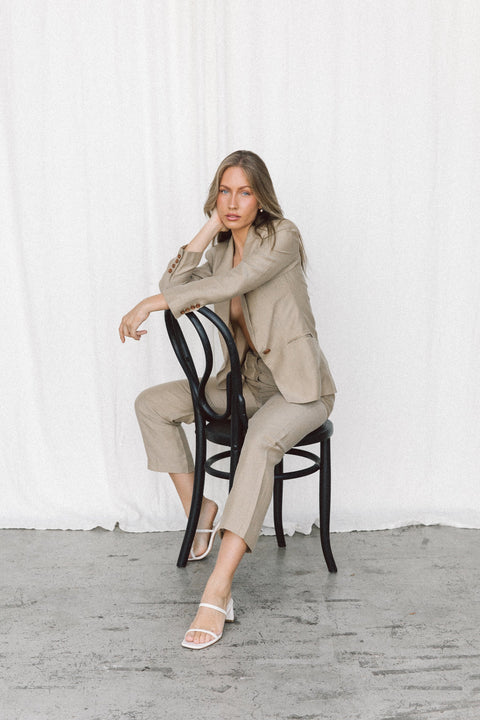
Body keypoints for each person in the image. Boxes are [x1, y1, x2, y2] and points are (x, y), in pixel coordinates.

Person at [119, 150, 336, 650]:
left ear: (261, 198)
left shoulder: (283, 237)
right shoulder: (219, 249)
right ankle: (201, 512)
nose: (233, 201)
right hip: (247, 384)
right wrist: (206, 230)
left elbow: (235, 283)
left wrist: (153, 305)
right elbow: (173, 285)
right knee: (151, 405)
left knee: (259, 442)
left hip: (300, 389)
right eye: (224, 191)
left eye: (244, 191)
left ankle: (217, 590)